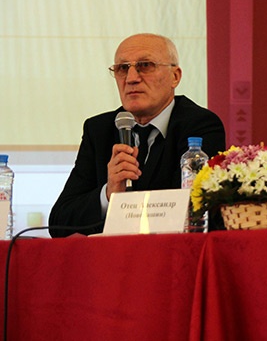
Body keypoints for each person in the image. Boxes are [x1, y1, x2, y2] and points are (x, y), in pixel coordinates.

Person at [49, 33, 226, 237]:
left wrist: (126, 206)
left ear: (175, 76)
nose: (131, 78)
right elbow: (59, 223)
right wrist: (109, 194)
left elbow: (198, 211)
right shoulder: (99, 129)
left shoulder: (200, 125)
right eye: (122, 68)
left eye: (145, 65)